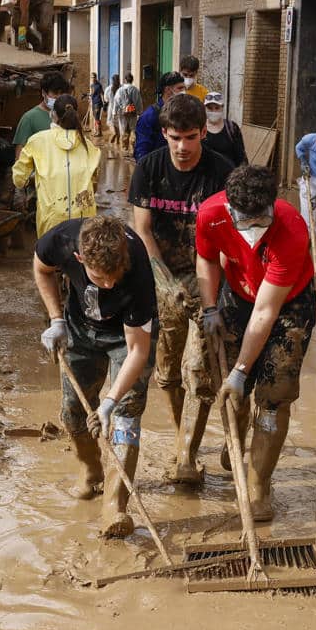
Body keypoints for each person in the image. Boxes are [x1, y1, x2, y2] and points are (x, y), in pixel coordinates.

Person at [196, 164, 316, 522]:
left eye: (260, 221)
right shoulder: (211, 214)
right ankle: (236, 438)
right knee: (233, 391)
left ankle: (259, 484)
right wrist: (208, 307)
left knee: (274, 395)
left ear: (272, 207)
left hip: (288, 304)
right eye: (243, 220)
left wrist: (239, 370)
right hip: (236, 293)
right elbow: (205, 257)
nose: (251, 229)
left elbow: (266, 312)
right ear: (229, 207)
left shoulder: (292, 229)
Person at [127, 93, 234, 483]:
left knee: (199, 371)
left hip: (209, 278)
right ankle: (180, 435)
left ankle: (187, 454)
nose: (182, 147)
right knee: (168, 374)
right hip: (163, 278)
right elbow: (142, 231)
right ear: (164, 134)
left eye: (190, 137)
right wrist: (164, 281)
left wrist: (215, 298)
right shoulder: (148, 169)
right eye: (175, 137)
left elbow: (232, 240)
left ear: (204, 133)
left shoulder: (221, 172)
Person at [35, 214, 157, 536]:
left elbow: (137, 352)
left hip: (125, 337)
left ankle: (115, 507)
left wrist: (109, 402)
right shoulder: (60, 240)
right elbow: (41, 268)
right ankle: (91, 471)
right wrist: (55, 319)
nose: (109, 285)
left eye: (114, 277)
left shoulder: (138, 269)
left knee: (126, 415)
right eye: (99, 278)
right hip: (80, 329)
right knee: (73, 411)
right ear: (79, 259)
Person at [12, 94, 101, 237]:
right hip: (84, 221)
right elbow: (94, 184)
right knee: (82, 257)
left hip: (51, 220)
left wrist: (31, 179)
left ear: (53, 115)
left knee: (50, 257)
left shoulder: (37, 140)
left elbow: (18, 178)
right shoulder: (89, 146)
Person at [133, 71, 185, 163]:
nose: (184, 92)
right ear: (168, 90)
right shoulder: (149, 116)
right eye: (180, 88)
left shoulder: (183, 113)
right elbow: (142, 151)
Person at [14, 72, 71, 147]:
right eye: (55, 93)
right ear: (44, 93)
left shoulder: (68, 115)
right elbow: (20, 154)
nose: (59, 97)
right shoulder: (30, 118)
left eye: (62, 93)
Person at [201, 92, 246, 166]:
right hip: (205, 175)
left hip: (229, 175)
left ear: (222, 107)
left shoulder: (232, 128)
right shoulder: (199, 128)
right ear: (204, 108)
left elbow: (241, 157)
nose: (213, 111)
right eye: (210, 108)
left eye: (217, 108)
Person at [111, 75, 141, 151]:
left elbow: (116, 101)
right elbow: (139, 102)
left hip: (122, 113)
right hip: (133, 113)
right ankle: (133, 147)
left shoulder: (120, 90)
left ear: (125, 80)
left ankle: (125, 148)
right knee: (133, 129)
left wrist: (114, 112)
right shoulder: (135, 90)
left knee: (124, 129)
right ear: (132, 80)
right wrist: (139, 112)